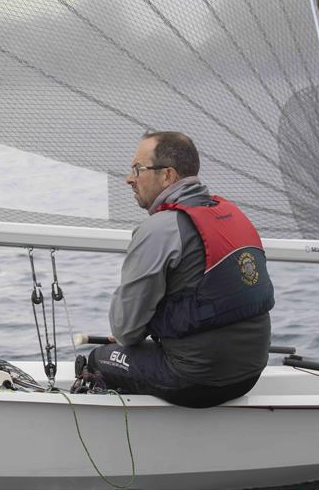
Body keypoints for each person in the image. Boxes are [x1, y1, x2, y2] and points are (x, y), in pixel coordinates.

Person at [84, 131, 274, 408]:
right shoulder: (233, 215)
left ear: (167, 176)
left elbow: (126, 331)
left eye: (138, 169)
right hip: (249, 374)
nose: (129, 178)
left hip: (195, 380)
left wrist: (137, 328)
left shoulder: (159, 229)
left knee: (99, 358)